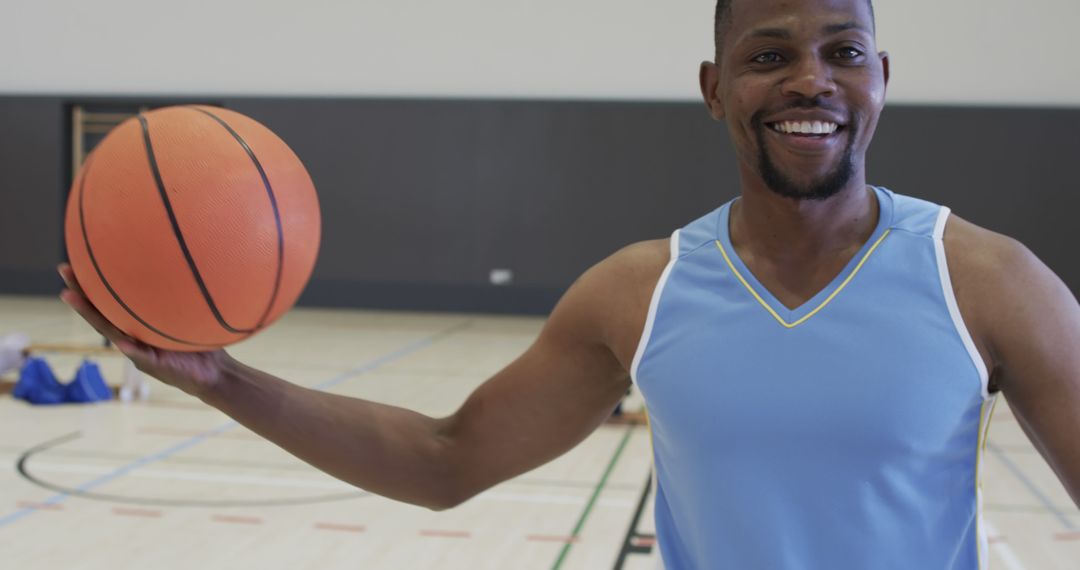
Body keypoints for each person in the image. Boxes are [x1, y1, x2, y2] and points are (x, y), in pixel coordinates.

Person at [59, 0, 1080, 567]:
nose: (810, 77)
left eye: (842, 52)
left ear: (882, 77)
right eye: (770, 54)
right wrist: (221, 380)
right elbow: (444, 459)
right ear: (715, 89)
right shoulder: (639, 294)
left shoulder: (987, 282)